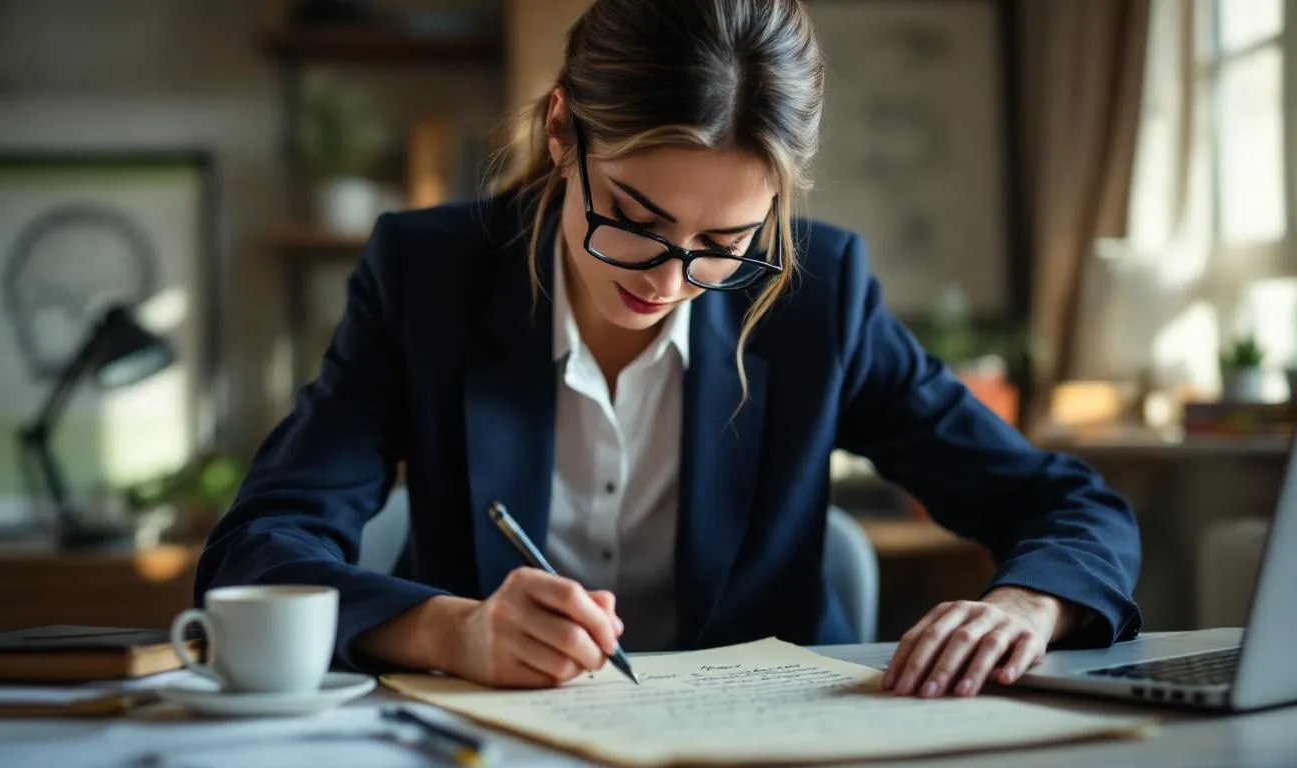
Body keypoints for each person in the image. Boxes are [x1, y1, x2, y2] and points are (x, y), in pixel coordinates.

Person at [196, 0, 1141, 698]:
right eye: (634, 220)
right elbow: (256, 551)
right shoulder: (427, 280)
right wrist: (456, 631)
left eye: (724, 244)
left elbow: (1068, 505)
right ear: (564, 132)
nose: (668, 277)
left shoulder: (815, 295)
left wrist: (1024, 606)